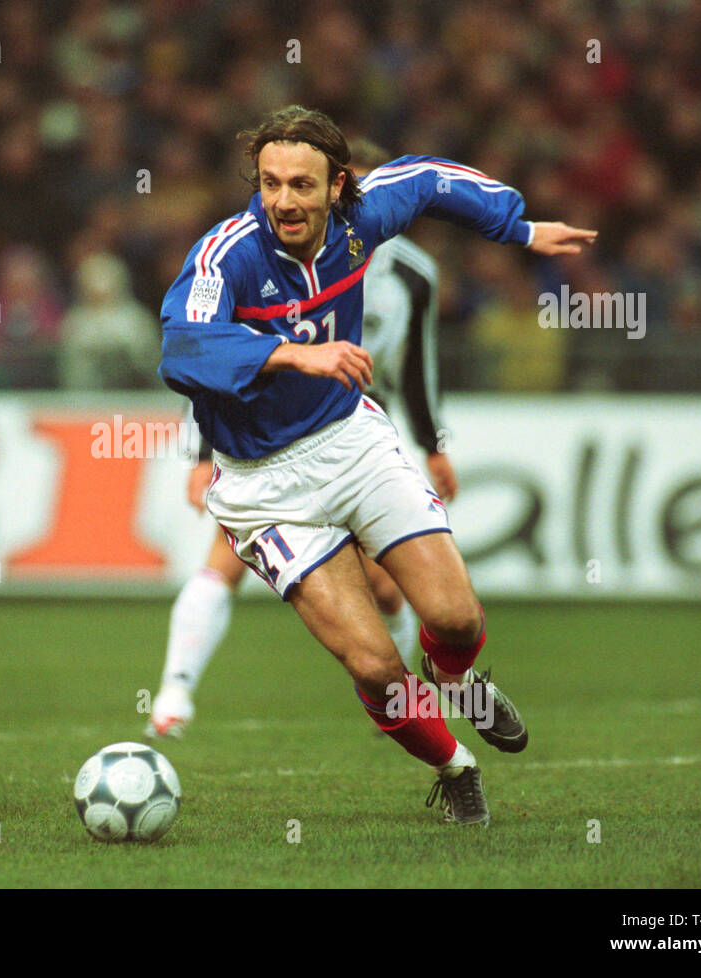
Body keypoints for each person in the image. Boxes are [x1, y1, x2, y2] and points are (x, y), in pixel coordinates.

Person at [158, 106, 596, 825]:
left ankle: (456, 680)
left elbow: (427, 180)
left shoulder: (364, 220)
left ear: (339, 187)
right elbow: (181, 346)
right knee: (372, 665)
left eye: (302, 184)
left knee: (455, 618)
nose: (283, 201)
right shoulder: (226, 255)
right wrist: (293, 353)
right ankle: (454, 767)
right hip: (264, 486)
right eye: (270, 183)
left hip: (351, 443)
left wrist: (516, 227)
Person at [147, 140, 456, 740]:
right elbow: (216, 352)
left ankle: (404, 703)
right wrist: (202, 451)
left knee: (389, 588)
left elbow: (417, 364)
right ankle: (173, 694)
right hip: (264, 436)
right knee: (223, 561)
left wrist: (434, 442)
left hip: (355, 434)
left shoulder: (413, 274)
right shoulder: (268, 256)